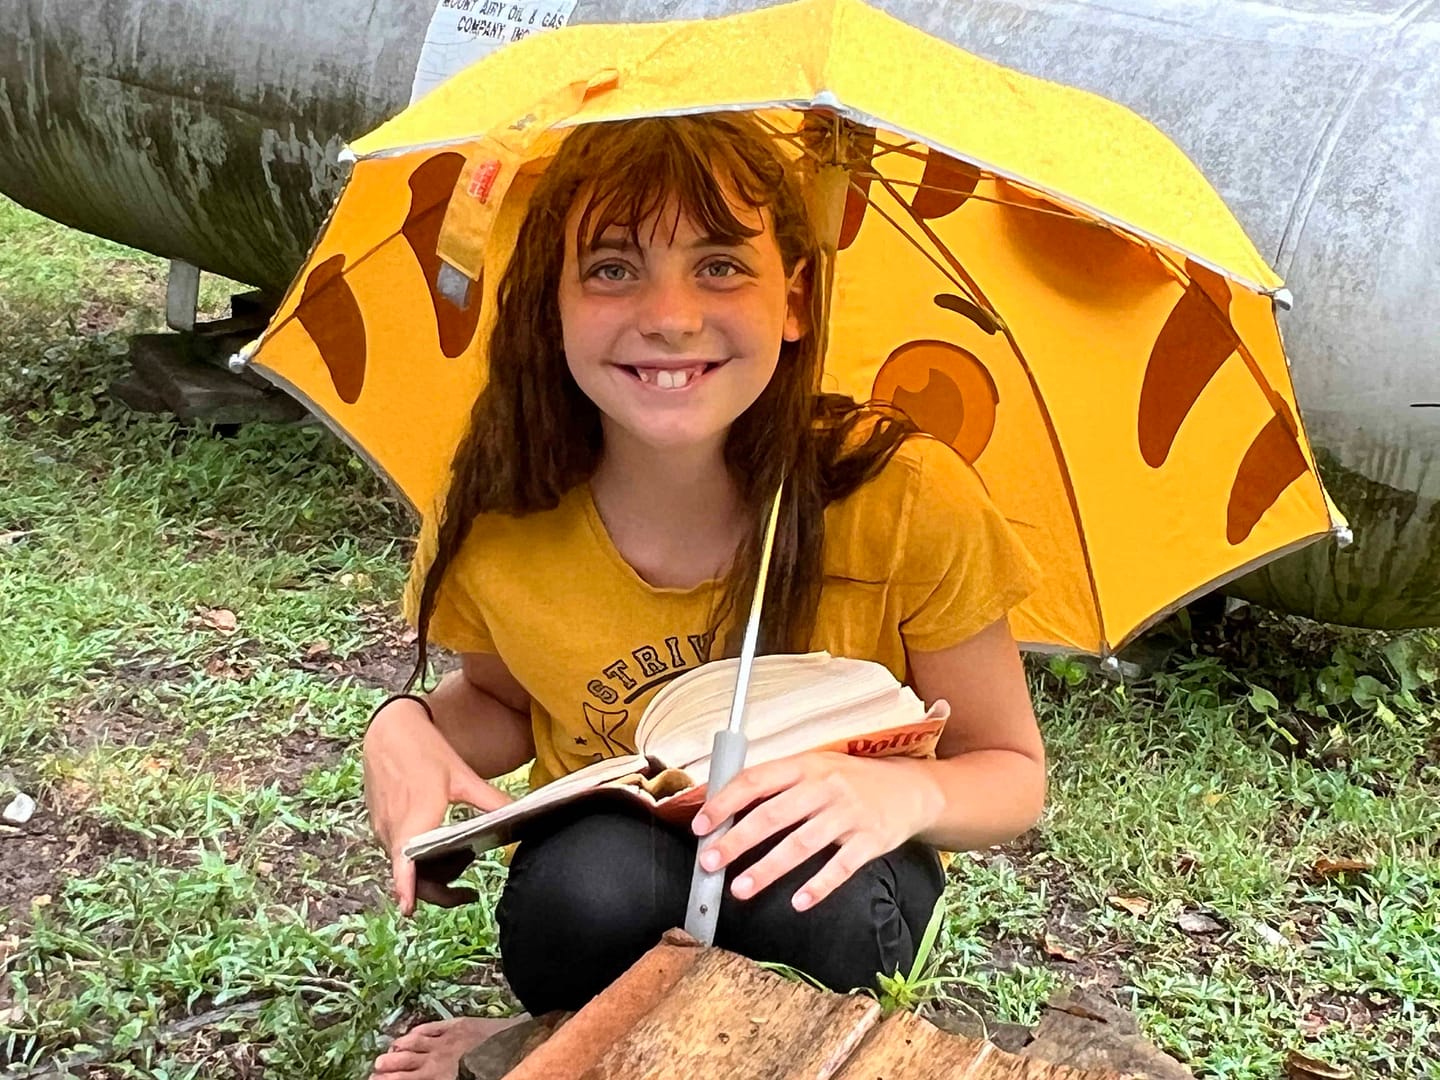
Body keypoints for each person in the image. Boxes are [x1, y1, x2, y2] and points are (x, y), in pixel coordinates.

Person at [365, 111, 1046, 1080]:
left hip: (841, 882)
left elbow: (1012, 767)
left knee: (814, 893)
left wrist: (902, 792)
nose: (672, 315)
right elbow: (500, 705)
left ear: (796, 298)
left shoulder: (906, 501)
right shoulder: (503, 514)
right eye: (611, 268)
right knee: (580, 891)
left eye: (722, 265)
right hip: (615, 876)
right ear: (550, 302)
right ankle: (566, 1037)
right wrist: (400, 730)